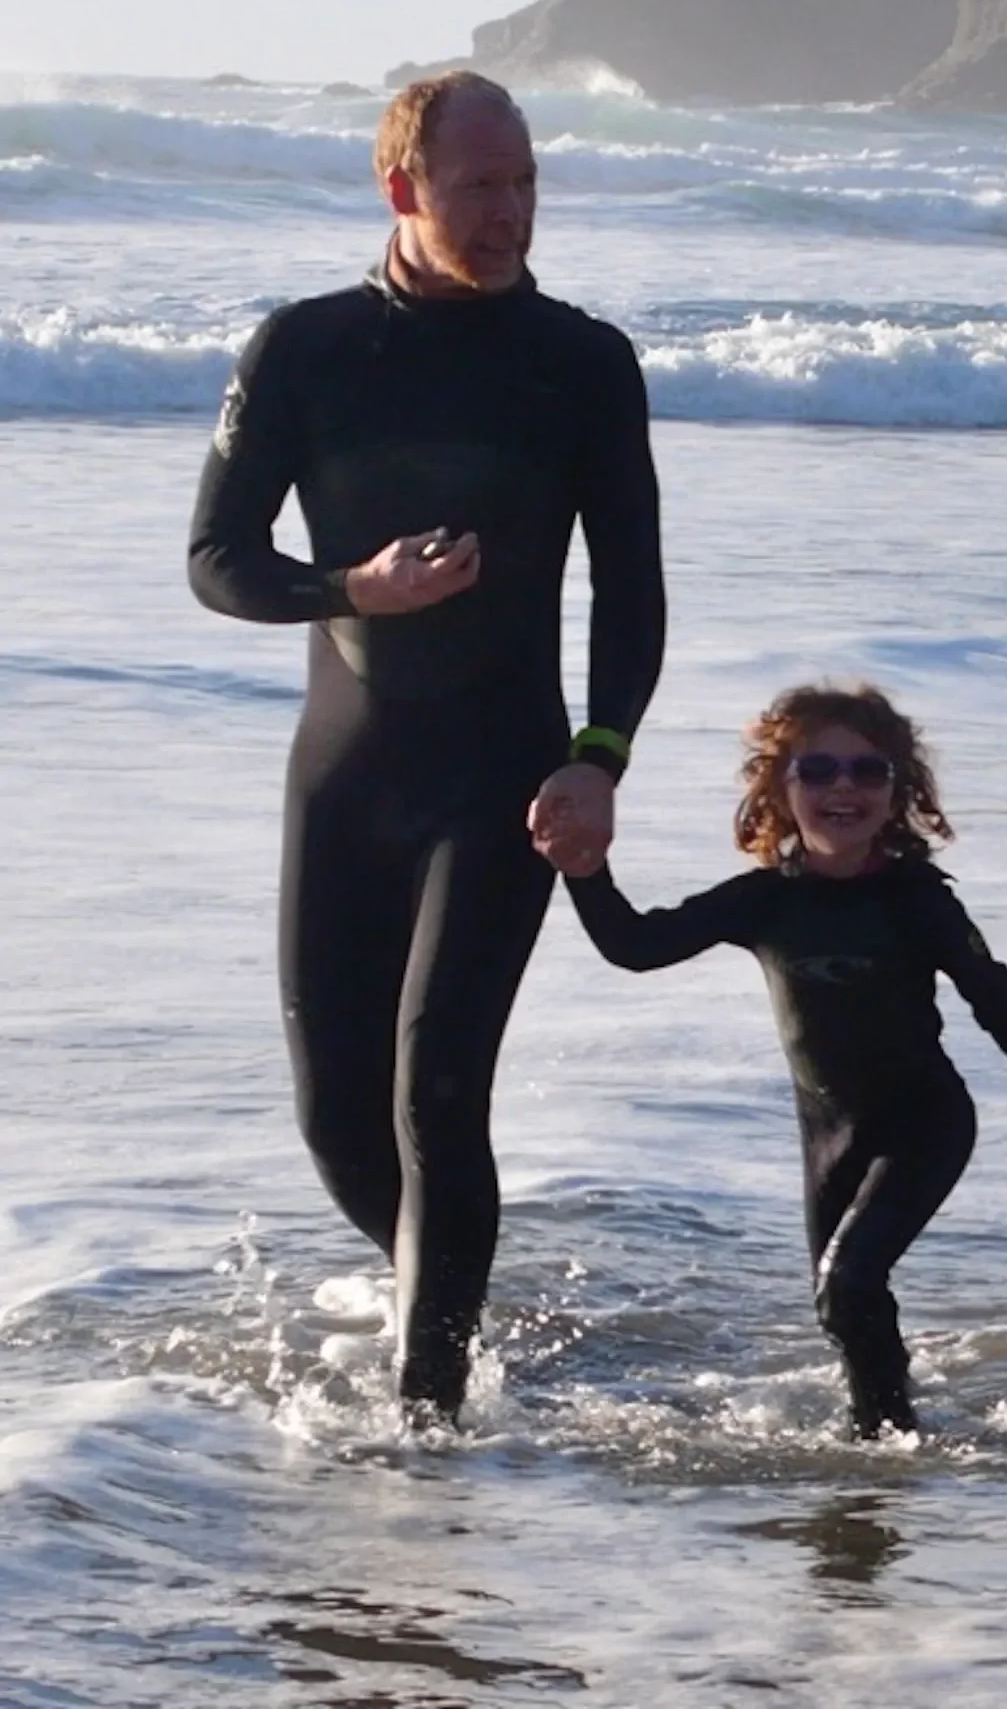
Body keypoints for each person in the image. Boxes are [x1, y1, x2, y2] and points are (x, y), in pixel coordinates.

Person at [187, 70, 666, 1424]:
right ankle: (451, 1291)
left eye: (525, 182)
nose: (511, 211)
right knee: (339, 1116)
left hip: (504, 778)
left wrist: (599, 757)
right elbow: (217, 559)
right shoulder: (309, 350)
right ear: (401, 185)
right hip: (346, 774)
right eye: (479, 186)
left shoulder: (579, 361)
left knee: (437, 1092)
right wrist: (355, 587)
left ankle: (425, 1424)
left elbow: (631, 589)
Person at [557, 683, 1007, 1439]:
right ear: (781, 791)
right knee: (843, 1302)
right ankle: (885, 1448)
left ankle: (891, 1447)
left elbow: (1002, 1001)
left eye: (867, 771)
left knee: (849, 1285)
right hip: (828, 1134)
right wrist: (583, 870)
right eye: (816, 771)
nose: (842, 788)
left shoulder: (919, 901)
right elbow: (635, 945)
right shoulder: (762, 902)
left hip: (926, 1125)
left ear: (899, 792)